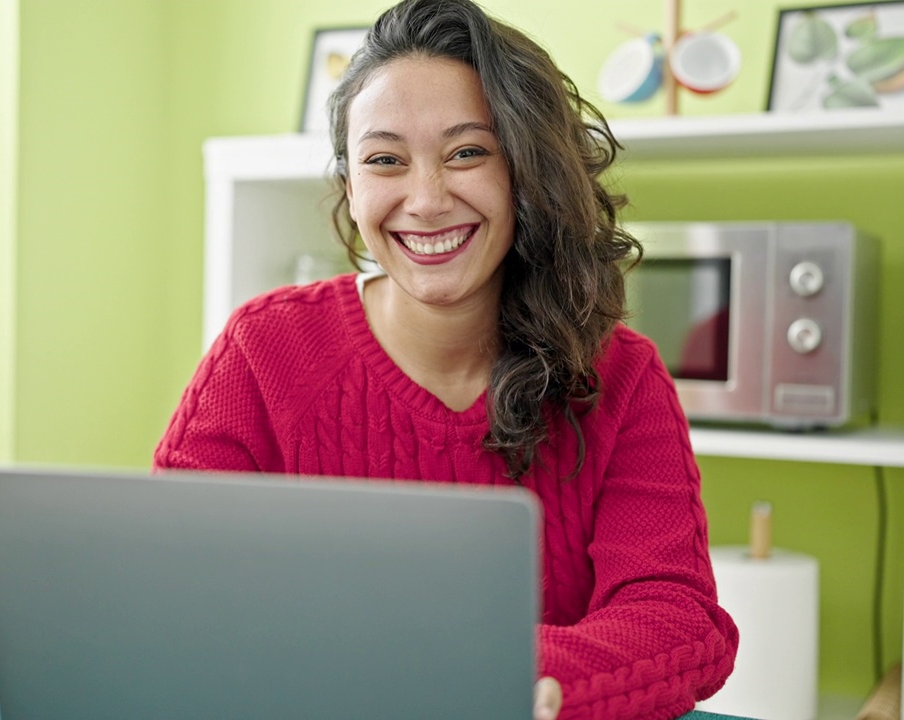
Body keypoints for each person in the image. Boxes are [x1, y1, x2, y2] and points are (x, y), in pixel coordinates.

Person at [154, 0, 738, 717]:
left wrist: (490, 675)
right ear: (351, 185)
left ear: (529, 170)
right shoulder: (264, 352)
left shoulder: (621, 378)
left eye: (467, 152)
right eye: (384, 160)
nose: (425, 201)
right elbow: (168, 586)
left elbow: (672, 615)